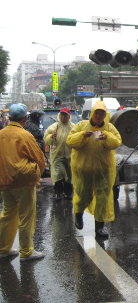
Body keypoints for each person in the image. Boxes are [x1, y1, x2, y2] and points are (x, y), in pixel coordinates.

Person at [66, 101, 122, 239]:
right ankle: (78, 214)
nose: (99, 115)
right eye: (97, 112)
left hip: (104, 170)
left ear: (105, 114)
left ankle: (99, 228)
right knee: (83, 195)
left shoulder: (109, 128)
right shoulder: (81, 125)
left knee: (103, 199)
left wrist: (106, 137)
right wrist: (82, 136)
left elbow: (117, 142)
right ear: (92, 113)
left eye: (102, 113)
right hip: (83, 169)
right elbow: (70, 141)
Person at [0, 104, 46, 261]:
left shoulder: (1, 134)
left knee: (7, 214)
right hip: (23, 180)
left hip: (5, 180)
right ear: (24, 119)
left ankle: (3, 248)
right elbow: (39, 158)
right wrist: (37, 174)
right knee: (26, 216)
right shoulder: (24, 135)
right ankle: (26, 251)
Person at [43, 107, 75, 200]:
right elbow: (46, 138)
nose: (64, 117)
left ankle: (68, 192)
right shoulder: (54, 127)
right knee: (58, 173)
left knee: (69, 175)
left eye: (66, 115)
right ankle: (58, 192)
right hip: (57, 155)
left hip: (70, 155)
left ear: (69, 116)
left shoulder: (73, 127)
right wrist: (51, 137)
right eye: (62, 115)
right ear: (59, 115)